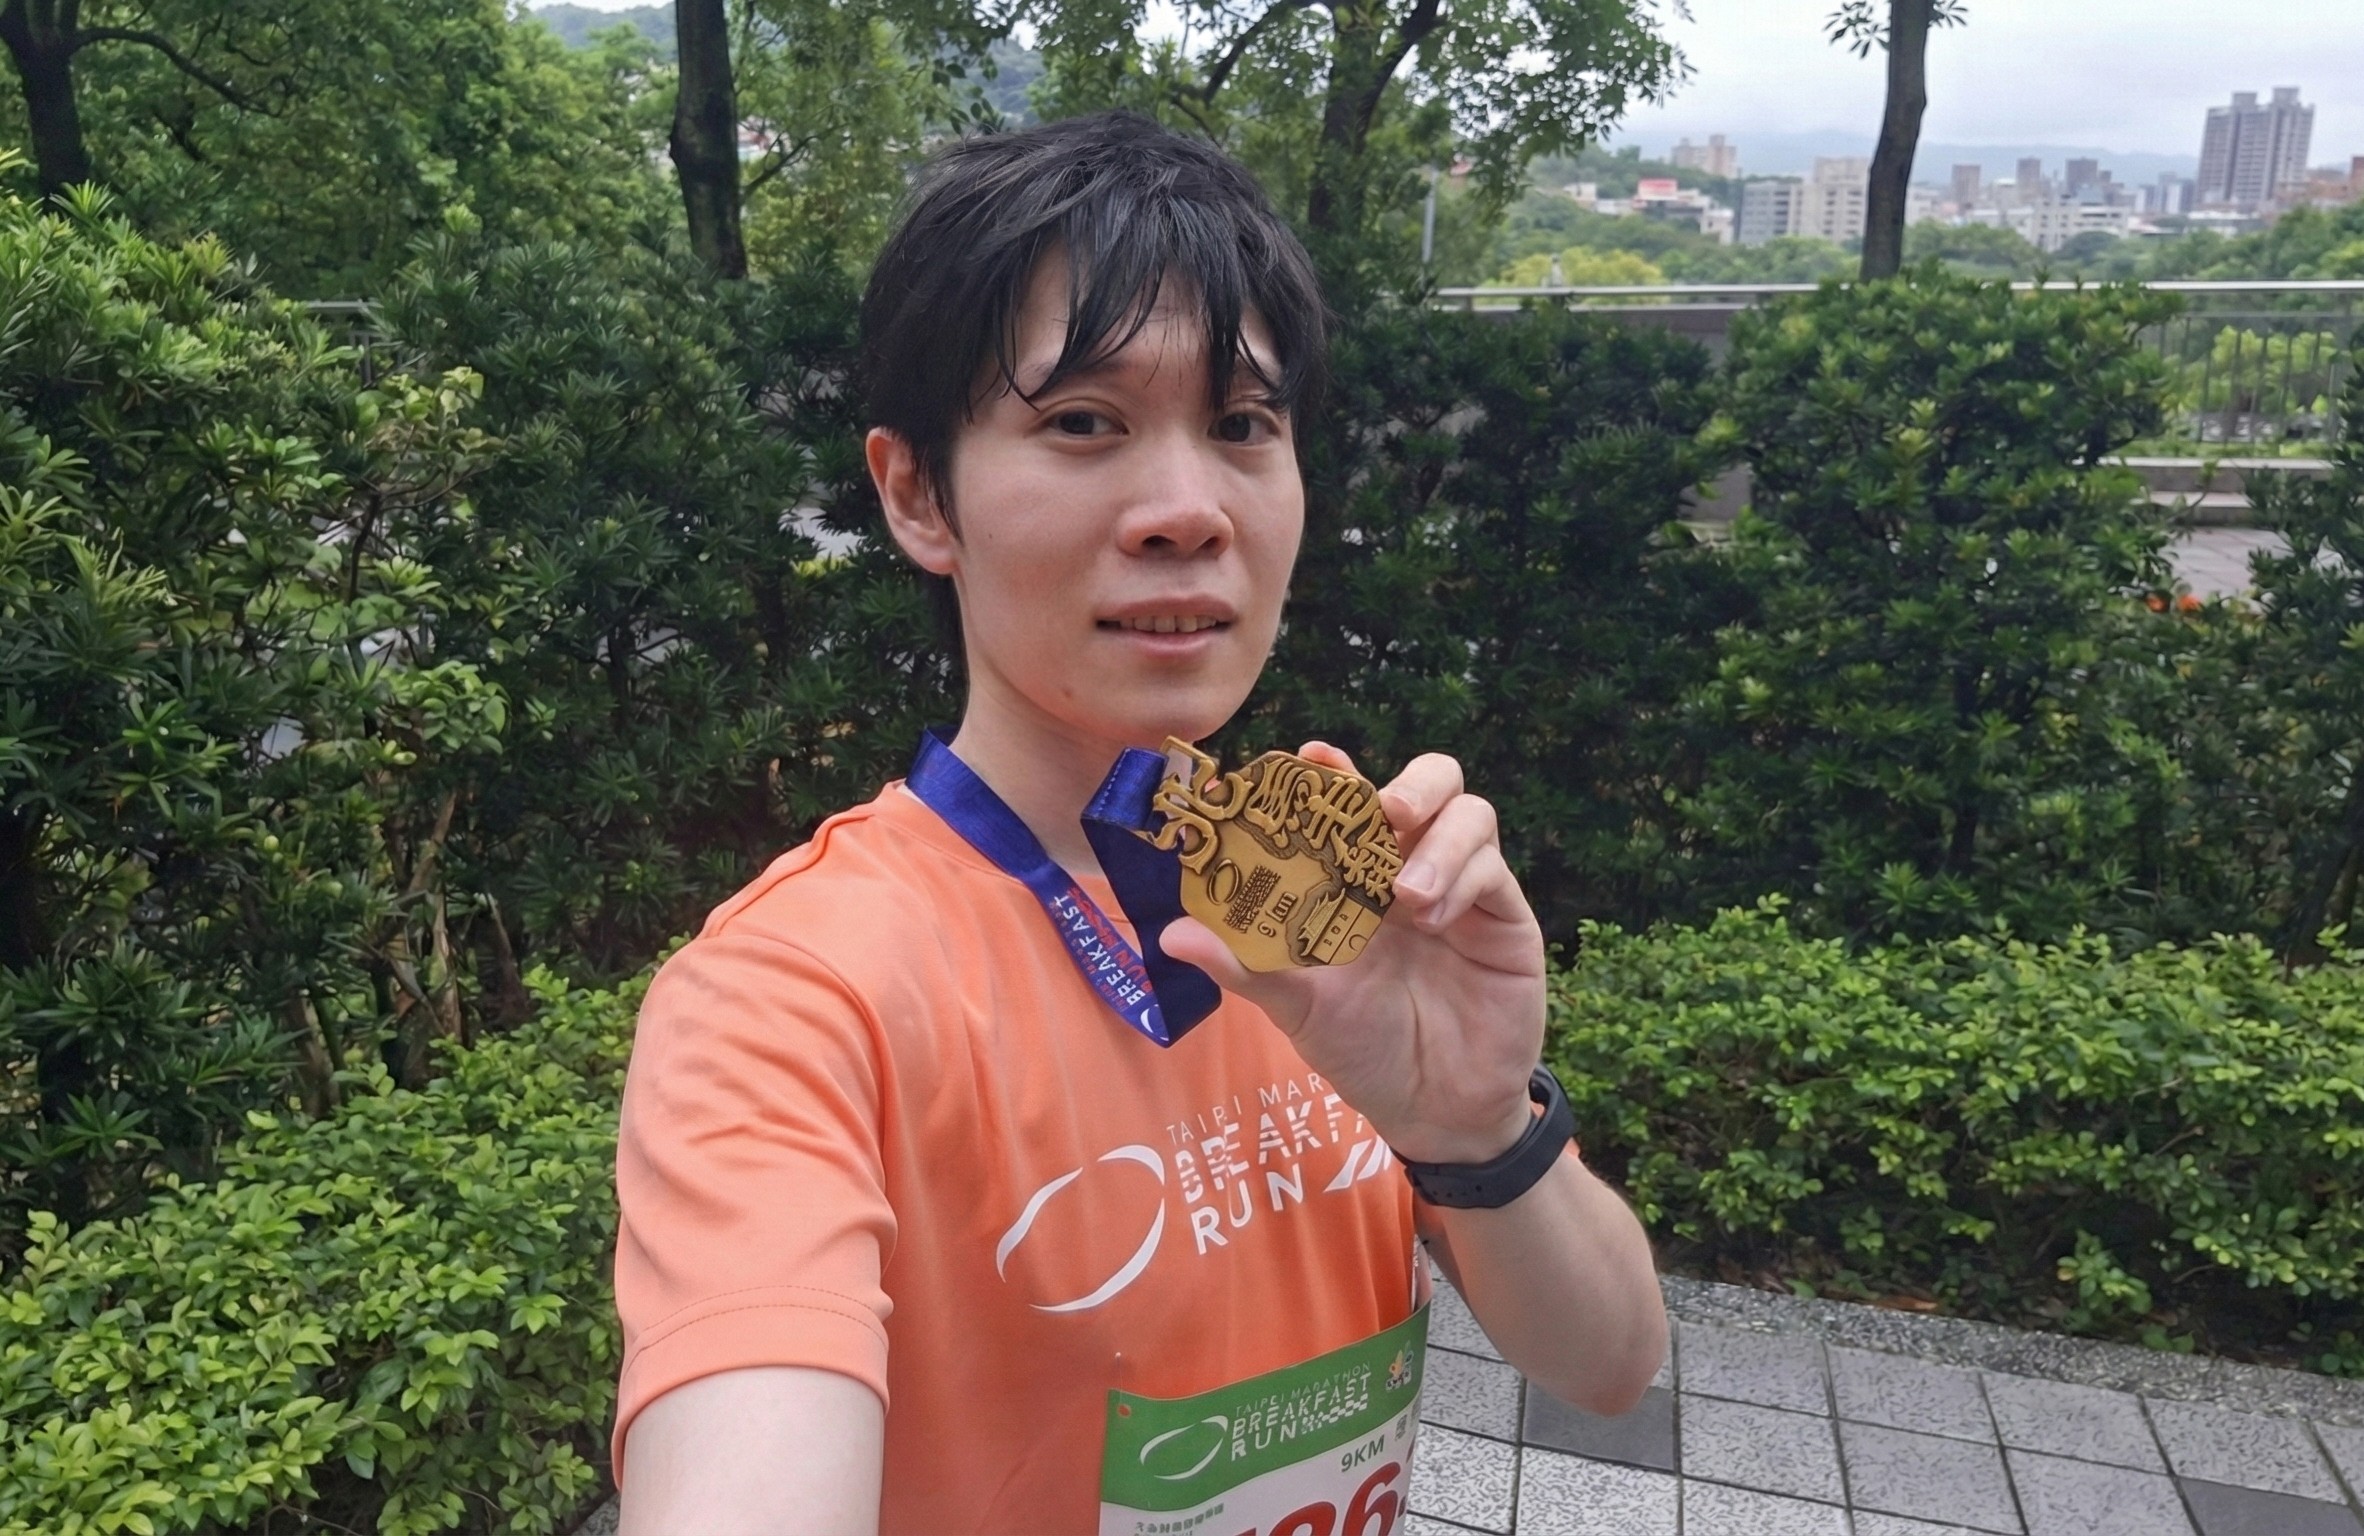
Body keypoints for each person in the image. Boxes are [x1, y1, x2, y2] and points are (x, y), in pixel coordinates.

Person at [611, 111, 1666, 1536]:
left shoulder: (1322, 903)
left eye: (1242, 425)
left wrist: (1472, 1125)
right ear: (919, 492)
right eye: (1083, 423)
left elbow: (1610, 1367)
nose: (1186, 509)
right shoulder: (792, 1003)